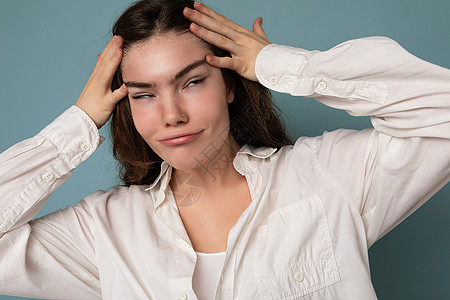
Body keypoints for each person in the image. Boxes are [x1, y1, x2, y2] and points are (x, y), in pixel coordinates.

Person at [0, 0, 449, 299]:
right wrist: (78, 123)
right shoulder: (105, 229)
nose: (171, 114)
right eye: (144, 94)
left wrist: (280, 65)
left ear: (231, 85)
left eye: (192, 82)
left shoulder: (327, 176)